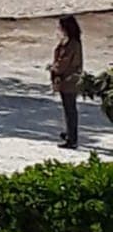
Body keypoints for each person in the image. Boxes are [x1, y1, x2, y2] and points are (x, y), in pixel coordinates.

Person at [50, 14, 83, 149]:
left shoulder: (72, 44)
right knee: (69, 109)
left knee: (70, 109)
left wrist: (54, 69)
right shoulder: (70, 42)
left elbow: (64, 62)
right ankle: (70, 133)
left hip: (69, 80)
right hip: (68, 79)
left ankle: (72, 138)